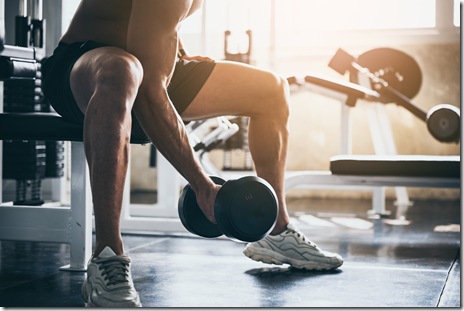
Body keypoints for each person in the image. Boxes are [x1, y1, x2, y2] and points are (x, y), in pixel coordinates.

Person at [42, 0, 343, 307]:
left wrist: (180, 55)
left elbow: (154, 23)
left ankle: (276, 230)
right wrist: (202, 185)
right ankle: (107, 257)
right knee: (123, 70)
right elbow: (149, 93)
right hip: (84, 62)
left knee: (271, 89)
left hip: (141, 65)